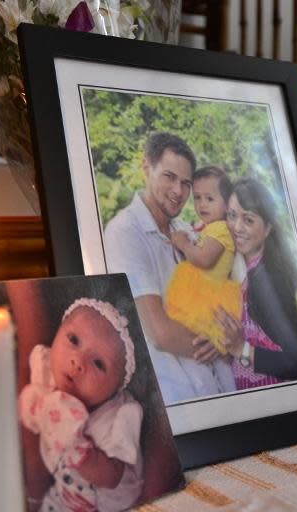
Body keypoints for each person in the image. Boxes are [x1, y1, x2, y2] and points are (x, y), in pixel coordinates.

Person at [104, 132, 235, 404]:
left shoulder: (186, 232)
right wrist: (223, 347)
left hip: (224, 390)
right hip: (178, 400)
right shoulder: (124, 232)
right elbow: (159, 332)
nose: (179, 191)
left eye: (186, 183)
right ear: (146, 168)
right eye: (169, 177)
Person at [18, 298, 143, 512]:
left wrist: (79, 451)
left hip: (106, 502)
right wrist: (35, 409)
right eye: (74, 340)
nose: (77, 361)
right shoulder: (47, 375)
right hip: (64, 493)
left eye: (98, 363)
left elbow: (112, 477)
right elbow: (32, 418)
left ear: (116, 389)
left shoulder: (117, 416)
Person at [215, 178, 297, 389]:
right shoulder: (244, 270)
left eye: (248, 220)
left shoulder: (269, 281)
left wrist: (242, 348)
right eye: (232, 215)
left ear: (267, 228)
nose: (236, 227)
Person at [164, 166, 242, 355]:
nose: (202, 205)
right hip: (204, 289)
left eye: (209, 199)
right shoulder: (210, 228)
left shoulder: (221, 229)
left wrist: (183, 244)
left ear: (227, 205)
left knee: (191, 335)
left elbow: (204, 259)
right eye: (197, 198)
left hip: (208, 295)